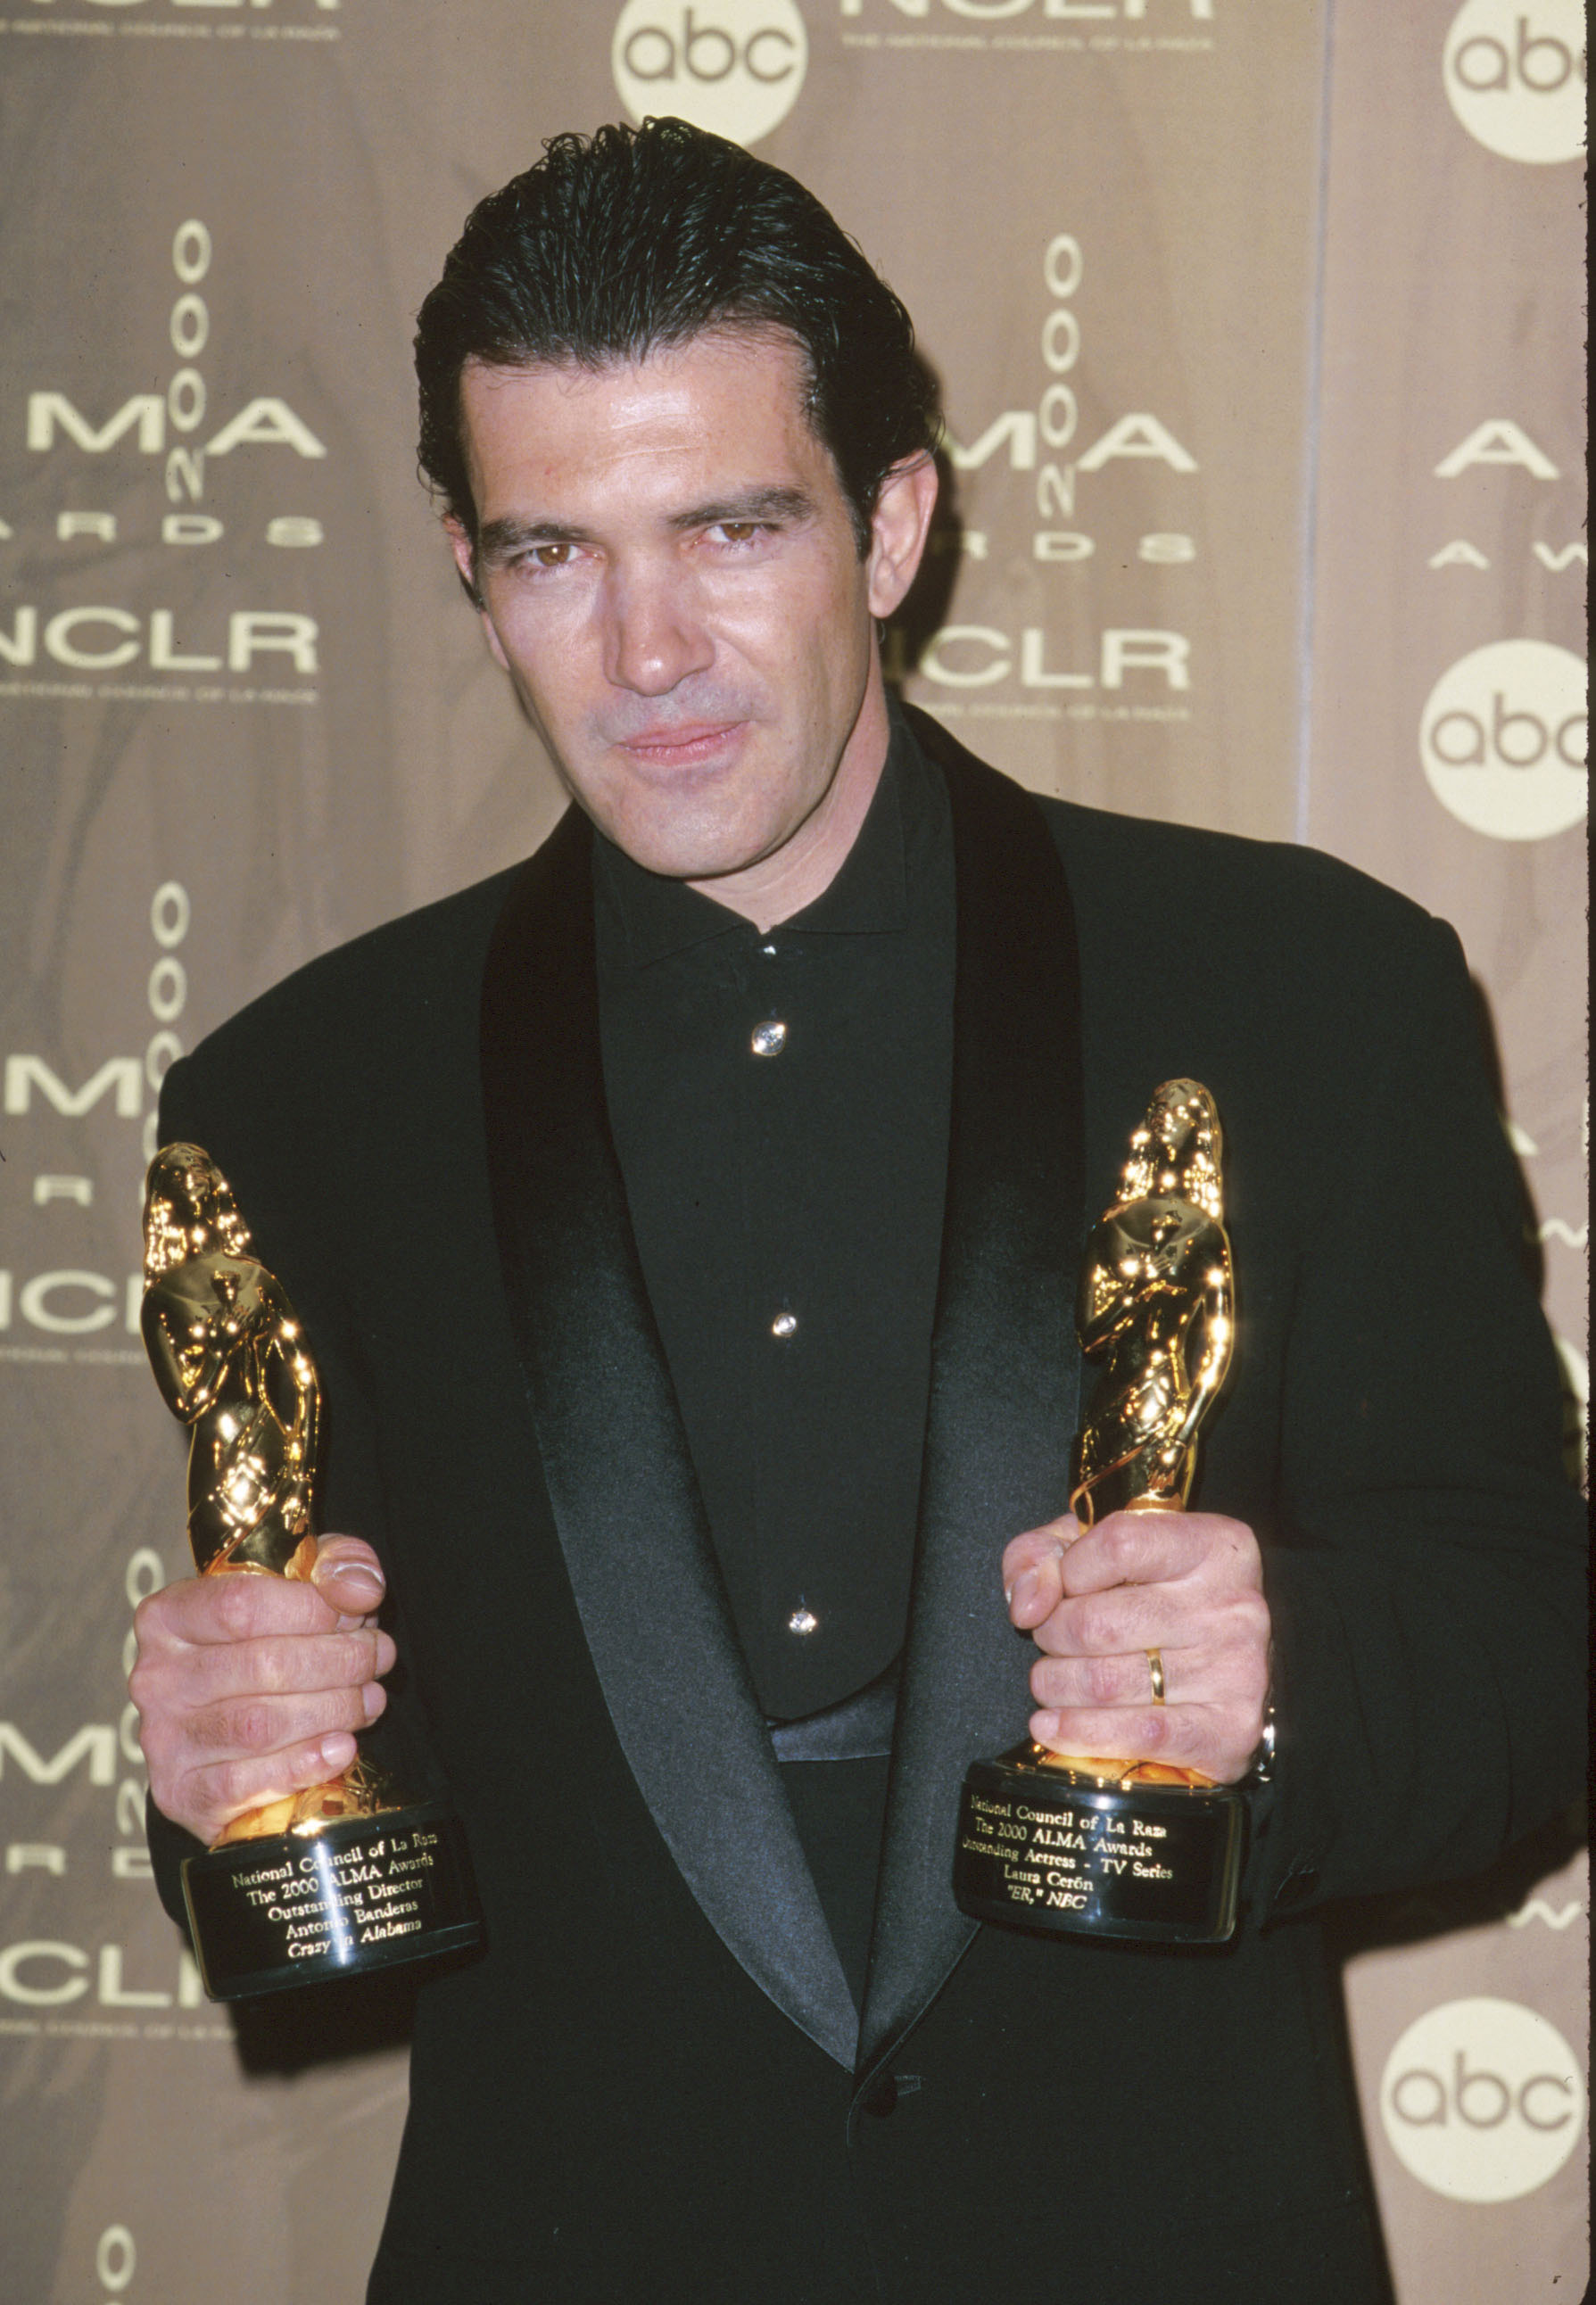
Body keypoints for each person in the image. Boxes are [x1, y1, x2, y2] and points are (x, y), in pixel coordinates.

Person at [128, 120, 1583, 2304]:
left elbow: (1527, 1660)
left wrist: (1273, 1686)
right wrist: (231, 1752)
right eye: (551, 552)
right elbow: (339, 1785)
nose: (645, 650)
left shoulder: (1308, 992)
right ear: (466, 565)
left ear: (891, 523)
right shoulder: (297, 1098)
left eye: (728, 527)